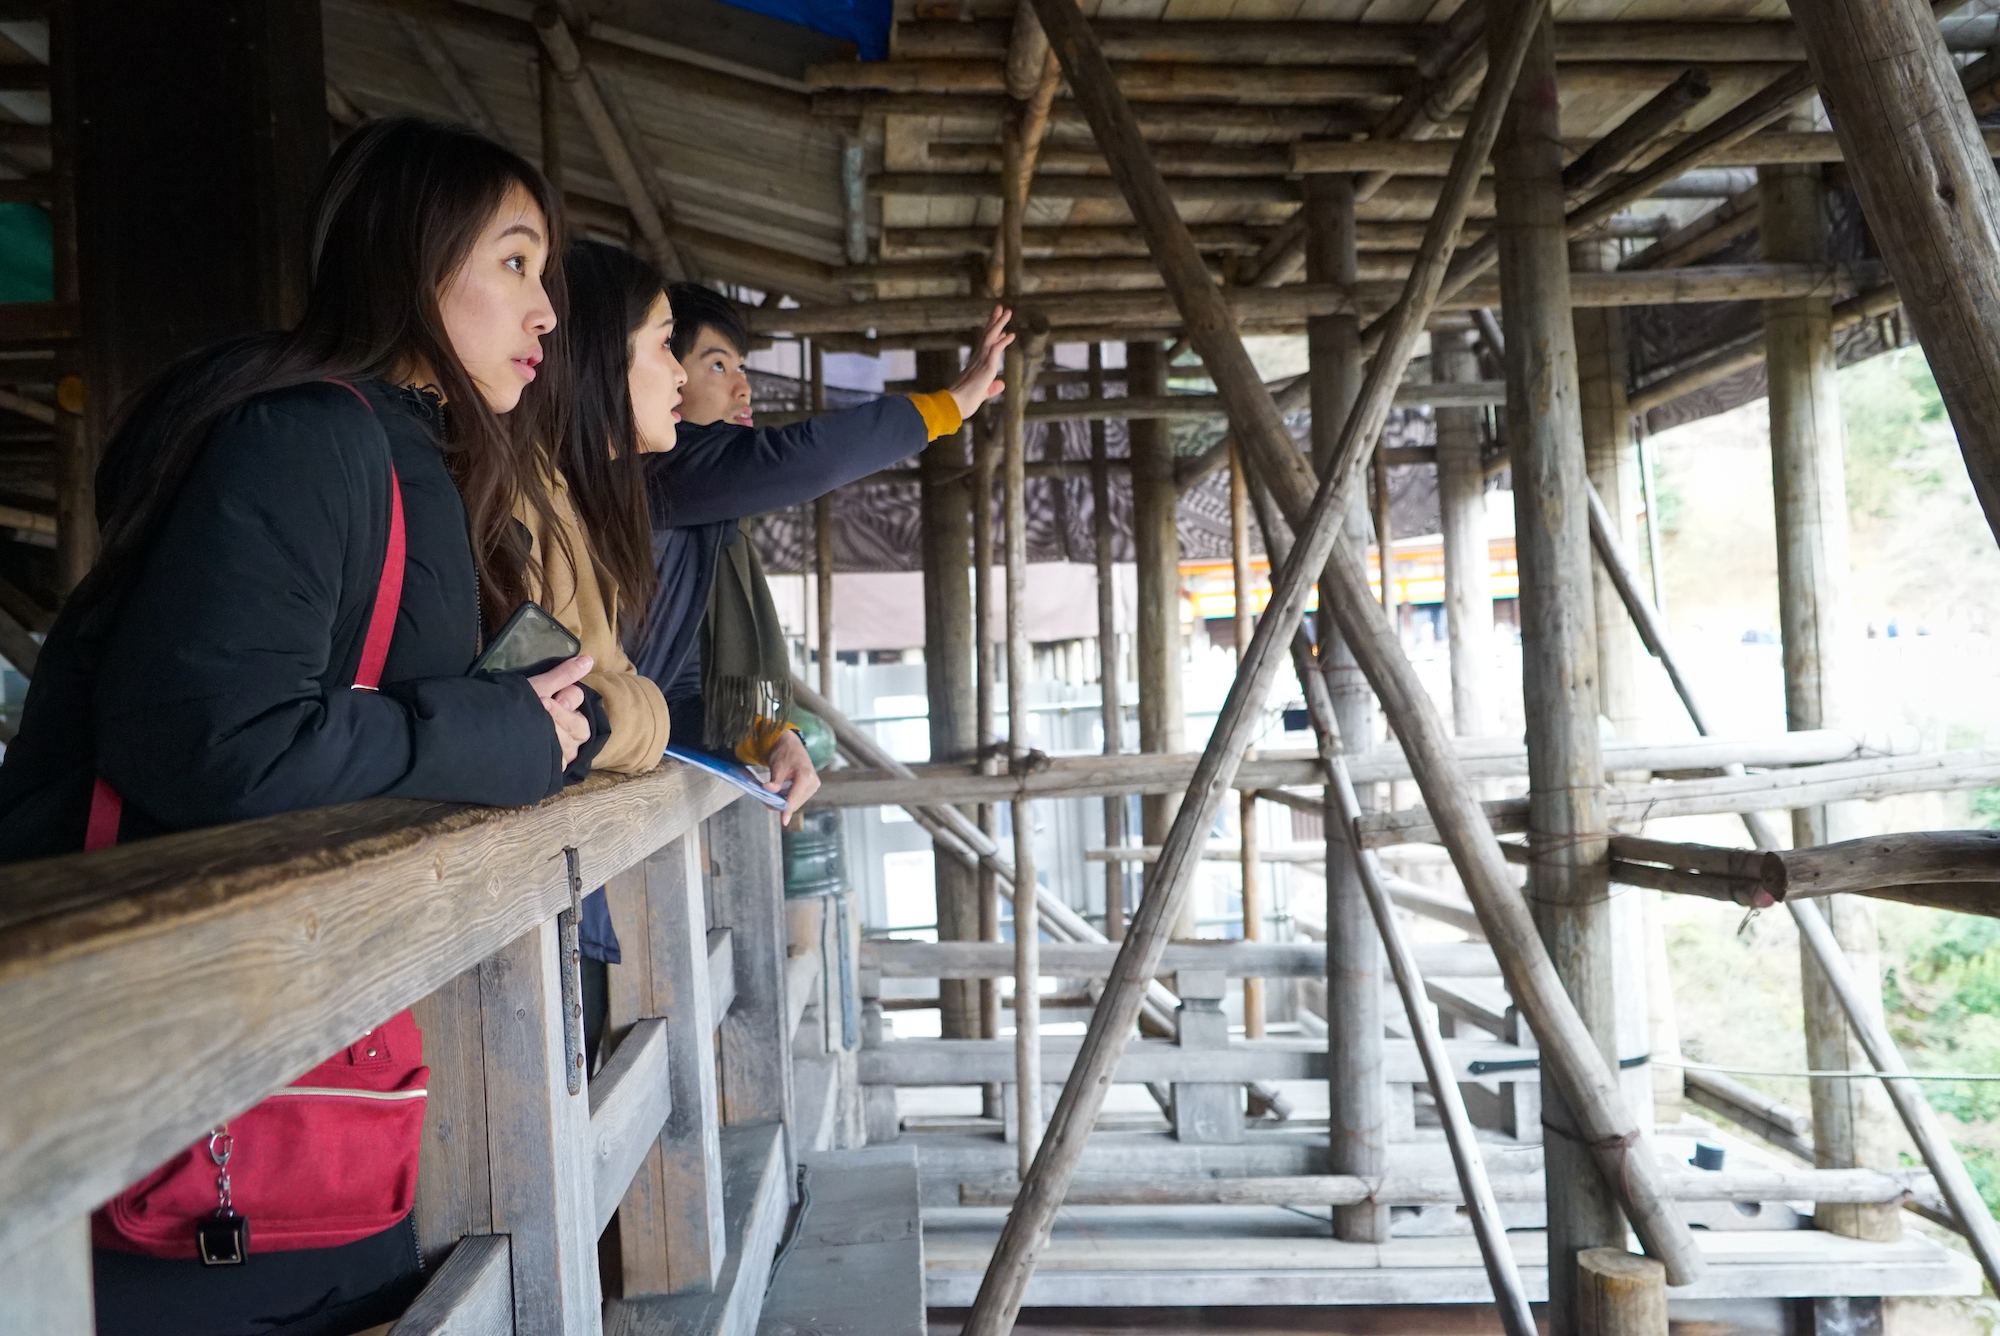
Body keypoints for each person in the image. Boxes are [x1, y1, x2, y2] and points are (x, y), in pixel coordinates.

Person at [0, 118, 601, 1335]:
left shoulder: (398, 449)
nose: (546, 314)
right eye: (515, 264)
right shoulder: (307, 438)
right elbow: (214, 741)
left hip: (296, 1076)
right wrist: (494, 738)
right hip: (178, 1094)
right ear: (408, 258)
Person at [637, 280, 1012, 810]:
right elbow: (797, 457)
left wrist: (768, 737)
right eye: (717, 366)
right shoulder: (652, 469)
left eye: (741, 367)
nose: (744, 388)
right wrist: (948, 407)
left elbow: (676, 690)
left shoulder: (706, 517)